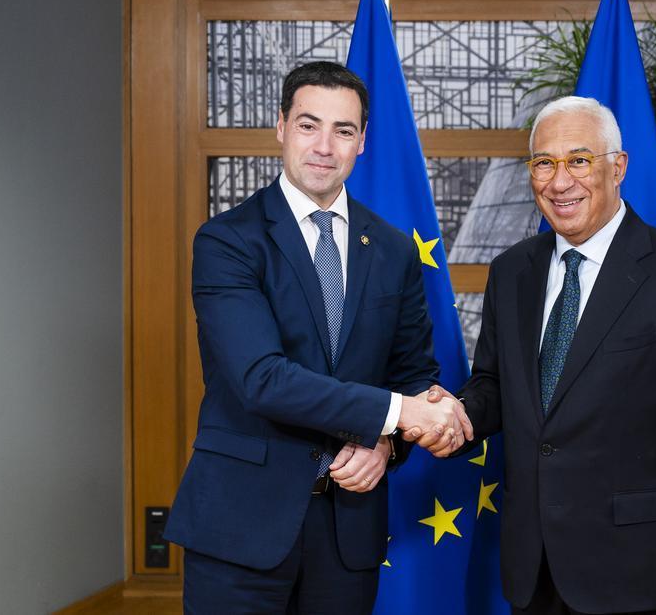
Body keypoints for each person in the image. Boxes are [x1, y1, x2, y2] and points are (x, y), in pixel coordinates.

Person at [410, 96, 656, 615]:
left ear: (619, 167)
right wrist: (456, 415)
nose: (559, 181)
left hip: (638, 569)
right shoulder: (512, 271)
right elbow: (498, 384)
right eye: (544, 162)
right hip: (532, 563)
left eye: (578, 160)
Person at [164, 61, 471, 614]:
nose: (324, 146)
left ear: (362, 143)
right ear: (281, 127)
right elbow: (262, 380)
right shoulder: (227, 241)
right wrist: (397, 414)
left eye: (343, 130)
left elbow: (415, 378)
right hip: (241, 528)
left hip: (347, 531)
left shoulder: (396, 250)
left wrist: (386, 443)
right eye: (309, 125)